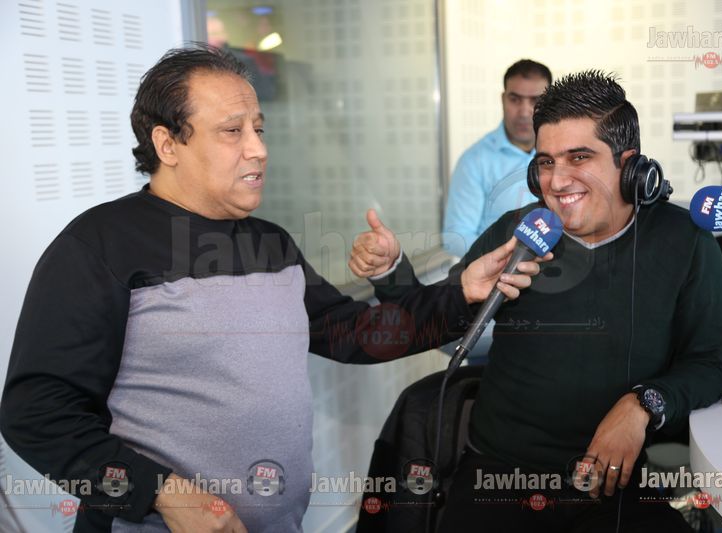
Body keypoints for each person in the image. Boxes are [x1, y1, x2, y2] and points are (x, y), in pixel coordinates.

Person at [0, 45, 546, 533]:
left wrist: (461, 292)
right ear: (167, 143)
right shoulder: (100, 244)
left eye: (259, 130)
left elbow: (355, 333)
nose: (258, 149)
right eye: (232, 131)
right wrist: (162, 495)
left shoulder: (270, 243)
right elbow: (37, 413)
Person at [349, 70, 722, 532]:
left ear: (629, 165)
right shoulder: (520, 232)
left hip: (612, 482)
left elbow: (712, 363)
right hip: (498, 476)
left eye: (579, 157)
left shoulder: (685, 241)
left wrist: (642, 405)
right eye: (546, 162)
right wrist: (391, 272)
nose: (557, 181)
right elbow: (436, 318)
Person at [443, 59, 551, 257]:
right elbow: (455, 239)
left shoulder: (565, 155)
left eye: (535, 101)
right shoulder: (474, 162)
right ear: (503, 100)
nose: (524, 112)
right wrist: (508, 256)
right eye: (515, 99)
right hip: (499, 273)